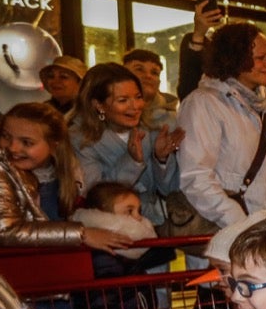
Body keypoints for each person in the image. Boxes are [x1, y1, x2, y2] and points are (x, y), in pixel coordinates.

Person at [176, 21, 266, 228]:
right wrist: (238, 222)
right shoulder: (204, 103)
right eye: (260, 58)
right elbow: (196, 177)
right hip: (227, 233)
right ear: (234, 59)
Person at [0, 103, 132, 251]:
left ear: (54, 145)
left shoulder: (67, 170)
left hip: (51, 260)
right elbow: (3, 231)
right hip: (10, 265)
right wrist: (82, 234)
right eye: (6, 136)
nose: (13, 148)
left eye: (26, 142)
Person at [69, 62, 182, 231]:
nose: (135, 106)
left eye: (138, 97)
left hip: (154, 224)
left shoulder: (148, 129)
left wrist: (161, 158)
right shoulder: (79, 139)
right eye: (123, 100)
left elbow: (168, 189)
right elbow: (96, 196)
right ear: (98, 105)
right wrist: (132, 161)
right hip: (110, 232)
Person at [69, 182, 175, 309]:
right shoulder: (105, 259)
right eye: (129, 211)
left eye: (139, 211)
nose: (138, 218)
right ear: (104, 215)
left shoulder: (127, 255)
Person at [121, 49, 179, 131]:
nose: (148, 76)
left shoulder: (175, 121)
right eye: (139, 69)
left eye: (154, 73)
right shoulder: (108, 117)